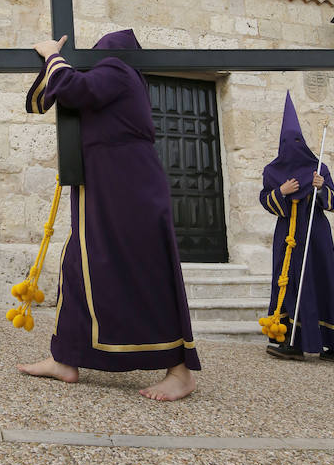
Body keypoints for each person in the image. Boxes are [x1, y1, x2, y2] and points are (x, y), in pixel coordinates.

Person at [18, 29, 200, 401]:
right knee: (78, 267)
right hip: (106, 187)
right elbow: (59, 93)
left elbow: (73, 89)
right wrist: (57, 67)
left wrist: (53, 55)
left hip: (128, 188)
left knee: (150, 271)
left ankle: (180, 372)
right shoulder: (114, 79)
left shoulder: (118, 70)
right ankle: (66, 358)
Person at [259, 91, 334, 360]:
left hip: (314, 236)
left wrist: (321, 189)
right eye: (288, 141)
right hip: (287, 236)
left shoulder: (318, 169)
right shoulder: (272, 171)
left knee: (320, 282)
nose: (292, 145)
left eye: (297, 141)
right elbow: (266, 200)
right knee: (288, 284)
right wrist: (282, 191)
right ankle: (292, 339)